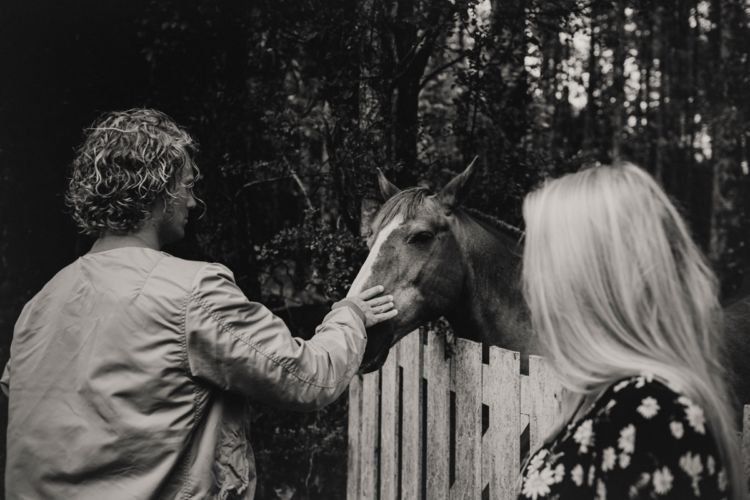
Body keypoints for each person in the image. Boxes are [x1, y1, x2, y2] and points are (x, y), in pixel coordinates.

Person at [0, 108, 397, 499]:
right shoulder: (192, 292)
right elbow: (309, 379)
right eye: (188, 186)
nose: (193, 203)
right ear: (159, 188)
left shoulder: (41, 304)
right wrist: (351, 315)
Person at [517, 163, 745, 499]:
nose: (529, 285)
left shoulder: (651, 414)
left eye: (540, 265)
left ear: (588, 283)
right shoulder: (608, 397)